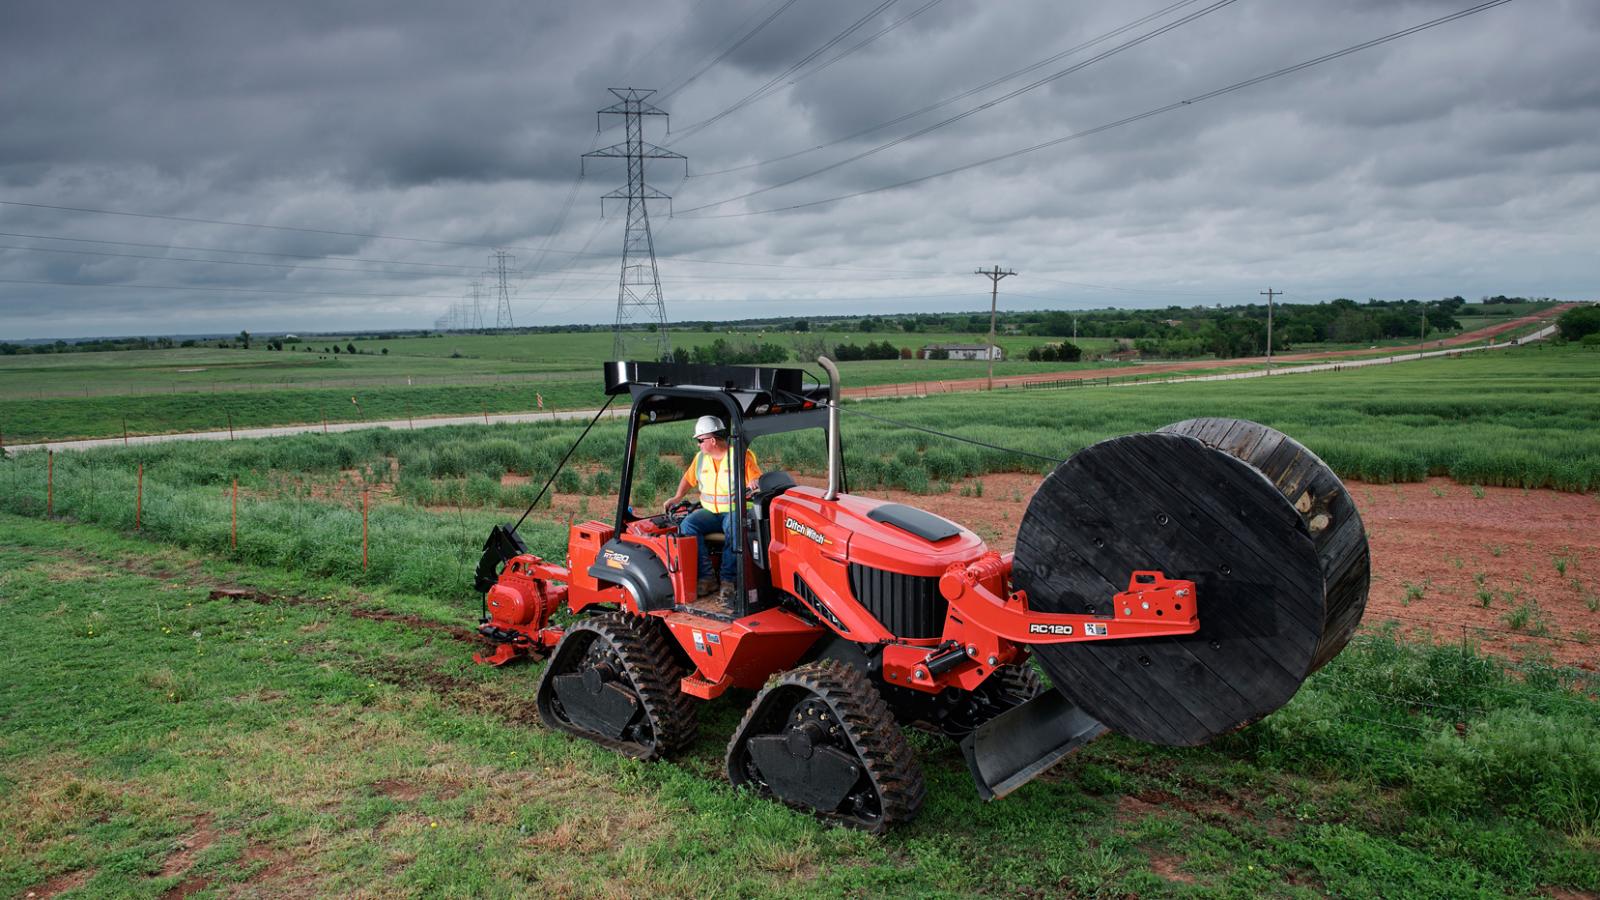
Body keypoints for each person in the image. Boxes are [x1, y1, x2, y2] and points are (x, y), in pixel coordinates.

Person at [663, 415, 760, 602]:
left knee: (734, 526)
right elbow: (688, 479)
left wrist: (755, 481)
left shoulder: (741, 456)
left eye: (700, 440)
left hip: (734, 511)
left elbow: (755, 477)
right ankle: (707, 578)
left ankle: (728, 581)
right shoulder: (700, 459)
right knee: (688, 525)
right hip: (710, 512)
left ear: (712, 440)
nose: (698, 444)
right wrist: (677, 497)